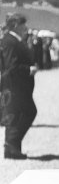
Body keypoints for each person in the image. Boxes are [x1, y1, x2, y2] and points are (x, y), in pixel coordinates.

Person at [0, 14, 37, 159]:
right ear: (15, 24)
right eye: (23, 24)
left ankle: (12, 149)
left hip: (13, 83)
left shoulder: (10, 40)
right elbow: (11, 66)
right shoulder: (10, 41)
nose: (25, 28)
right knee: (29, 112)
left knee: (13, 115)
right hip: (14, 84)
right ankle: (11, 144)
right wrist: (28, 70)